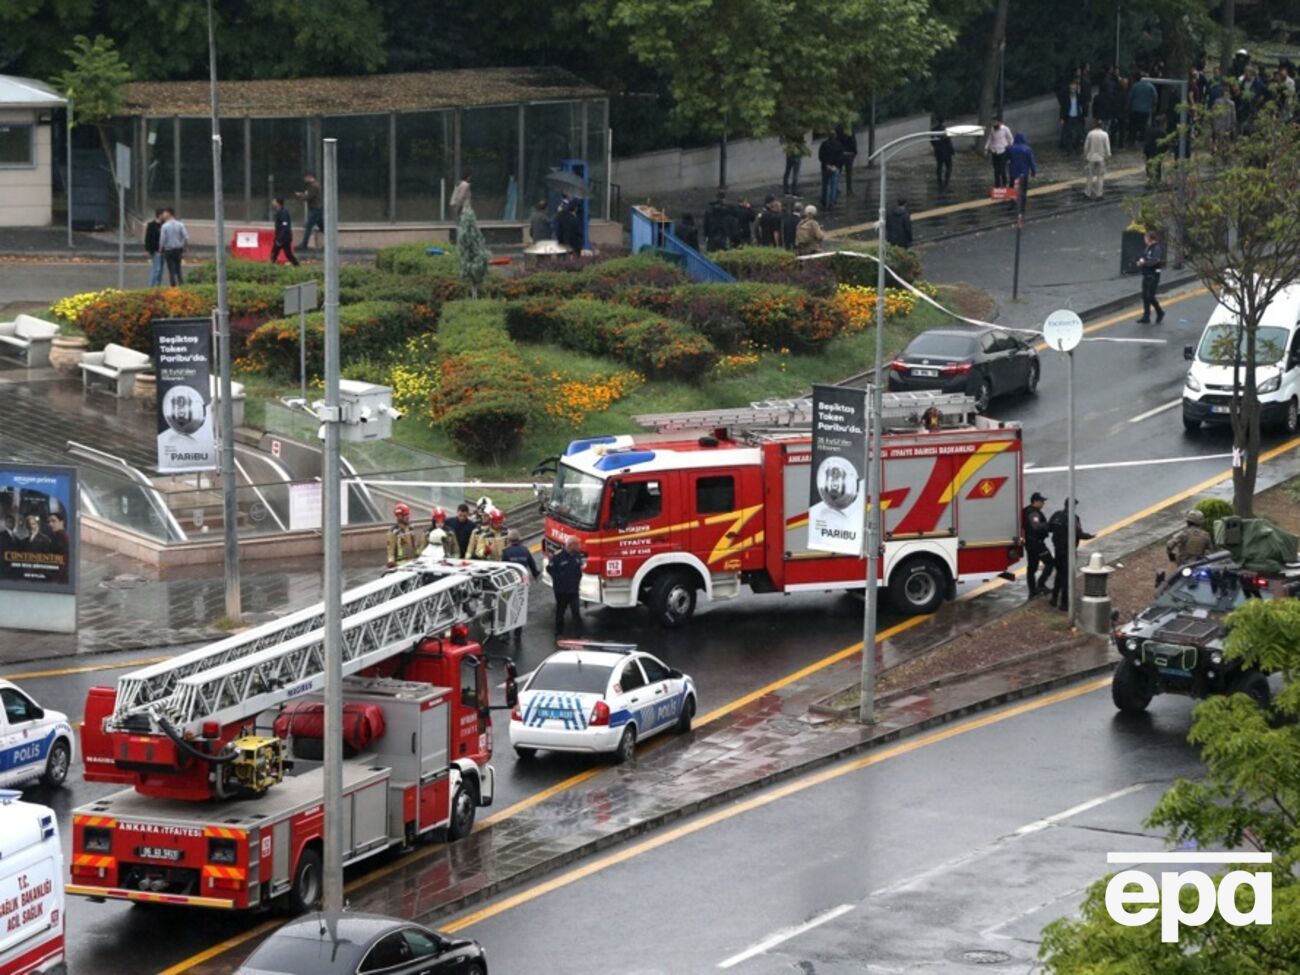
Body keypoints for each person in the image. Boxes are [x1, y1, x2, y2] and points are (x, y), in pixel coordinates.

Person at [1048, 499, 1095, 611]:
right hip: (1069, 551)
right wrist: (1089, 536)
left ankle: (1054, 598)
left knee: (1059, 575)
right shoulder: (1073, 518)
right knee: (1067, 577)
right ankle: (1064, 604)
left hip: (1058, 550)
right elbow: (1078, 533)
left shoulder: (1056, 515)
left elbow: (1049, 528)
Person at [547, 536, 585, 636]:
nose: (579, 546)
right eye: (577, 544)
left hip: (573, 590)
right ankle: (558, 632)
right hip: (561, 591)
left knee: (576, 612)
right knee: (560, 611)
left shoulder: (577, 555)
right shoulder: (558, 556)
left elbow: (579, 568)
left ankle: (578, 633)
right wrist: (559, 579)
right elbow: (549, 569)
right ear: (571, 545)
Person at [1022, 491, 1054, 598]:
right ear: (1035, 501)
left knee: (1032, 567)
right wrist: (1048, 525)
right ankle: (1040, 584)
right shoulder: (1033, 513)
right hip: (1037, 544)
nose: (1043, 503)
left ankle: (1032, 591)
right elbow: (1036, 527)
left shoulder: (1027, 511)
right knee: (1050, 563)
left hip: (1030, 543)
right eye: (1041, 501)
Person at [1136, 230, 1165, 323]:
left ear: (1149, 239)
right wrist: (1141, 262)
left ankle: (1160, 312)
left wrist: (1145, 263)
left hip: (1153, 275)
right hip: (1146, 274)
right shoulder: (1148, 247)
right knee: (1145, 296)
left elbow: (1155, 261)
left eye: (1145, 238)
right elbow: (1145, 257)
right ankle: (1146, 316)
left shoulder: (1156, 248)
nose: (1144, 240)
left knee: (1150, 296)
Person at [385, 503, 425, 568]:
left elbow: (414, 547)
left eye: (408, 514)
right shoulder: (393, 532)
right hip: (400, 565)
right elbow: (390, 552)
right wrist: (391, 562)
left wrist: (421, 554)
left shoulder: (410, 528)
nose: (408, 516)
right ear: (399, 516)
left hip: (412, 563)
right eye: (405, 514)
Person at [1082, 119, 1112, 200]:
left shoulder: (1090, 134)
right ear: (1102, 126)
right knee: (1100, 177)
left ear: (1094, 125)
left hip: (1091, 157)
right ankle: (1099, 194)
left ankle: (1087, 193)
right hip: (1101, 158)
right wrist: (1108, 157)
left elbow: (1086, 146)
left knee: (1089, 176)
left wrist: (1085, 155)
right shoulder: (1105, 134)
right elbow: (1107, 148)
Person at [158, 209, 188, 286]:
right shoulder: (180, 224)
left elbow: (162, 239)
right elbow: (186, 236)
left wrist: (160, 249)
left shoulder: (164, 226)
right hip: (178, 249)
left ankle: (173, 288)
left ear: (169, 214)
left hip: (168, 250)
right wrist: (184, 246)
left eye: (165, 214)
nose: (163, 216)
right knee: (178, 269)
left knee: (171, 269)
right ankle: (181, 285)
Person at [1128, 72, 1158, 147]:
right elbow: (1155, 97)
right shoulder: (1151, 86)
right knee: (1143, 126)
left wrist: (1129, 106)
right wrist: (1153, 106)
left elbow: (1130, 97)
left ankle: (1132, 141)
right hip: (1146, 109)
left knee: (1134, 126)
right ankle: (1142, 141)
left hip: (1135, 108)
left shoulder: (1135, 85)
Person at [296, 173, 324, 250]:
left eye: (306, 178)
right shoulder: (313, 186)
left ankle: (304, 244)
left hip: (315, 209)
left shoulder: (314, 186)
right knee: (322, 227)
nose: (305, 180)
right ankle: (330, 241)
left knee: (308, 226)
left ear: (311, 177)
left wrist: (300, 195)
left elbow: (308, 197)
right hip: (316, 209)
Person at [269, 196, 300, 266]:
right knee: (274, 253)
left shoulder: (284, 212)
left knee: (287, 254)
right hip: (280, 237)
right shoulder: (279, 211)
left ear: (278, 203)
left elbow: (285, 226)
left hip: (284, 238)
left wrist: (280, 239)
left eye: (274, 201)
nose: (272, 202)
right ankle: (270, 266)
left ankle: (297, 265)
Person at [1058, 80, 1086, 154]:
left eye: (1074, 88)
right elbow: (1063, 108)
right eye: (1071, 89)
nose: (1073, 90)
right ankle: (1069, 149)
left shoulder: (1078, 97)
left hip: (1077, 117)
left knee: (1079, 133)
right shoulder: (1066, 98)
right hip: (1069, 117)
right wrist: (1062, 118)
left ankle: (1077, 148)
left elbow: (1083, 104)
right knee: (1069, 134)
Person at [985, 117, 1014, 188]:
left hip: (1003, 151)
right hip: (994, 151)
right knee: (996, 170)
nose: (994, 124)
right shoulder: (992, 130)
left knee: (1002, 169)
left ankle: (1005, 183)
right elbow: (990, 139)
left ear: (999, 122)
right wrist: (986, 148)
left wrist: (1011, 148)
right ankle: (997, 185)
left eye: (995, 122)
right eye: (993, 122)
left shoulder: (1005, 129)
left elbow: (1010, 138)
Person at [818, 130, 843, 210]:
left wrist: (826, 165)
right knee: (833, 186)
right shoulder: (839, 145)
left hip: (825, 168)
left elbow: (821, 156)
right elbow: (840, 157)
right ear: (835, 136)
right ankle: (832, 204)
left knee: (825, 186)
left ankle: (825, 202)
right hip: (835, 168)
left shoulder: (824, 144)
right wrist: (835, 166)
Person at [144, 208, 165, 286]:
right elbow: (148, 237)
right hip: (155, 249)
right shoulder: (151, 225)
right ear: (159, 215)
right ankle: (151, 285)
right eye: (163, 214)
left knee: (161, 269)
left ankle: (158, 284)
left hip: (163, 249)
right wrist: (147, 249)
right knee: (156, 268)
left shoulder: (164, 224)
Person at [931, 123, 955, 191]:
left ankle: (940, 183)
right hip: (946, 153)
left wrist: (937, 148)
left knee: (939, 167)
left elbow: (932, 141)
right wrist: (952, 151)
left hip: (939, 152)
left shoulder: (933, 130)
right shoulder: (944, 130)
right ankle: (945, 184)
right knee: (948, 168)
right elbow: (948, 141)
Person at [836, 125, 858, 196]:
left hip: (840, 153)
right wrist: (854, 152)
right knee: (848, 173)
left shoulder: (838, 128)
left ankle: (835, 188)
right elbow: (853, 141)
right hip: (849, 154)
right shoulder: (850, 130)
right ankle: (849, 190)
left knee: (838, 171)